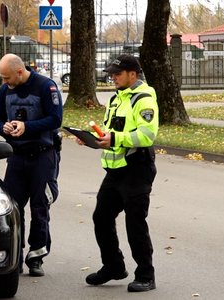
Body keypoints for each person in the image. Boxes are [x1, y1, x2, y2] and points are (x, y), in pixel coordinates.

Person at [76, 54, 159, 292]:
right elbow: (112, 132)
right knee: (101, 218)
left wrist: (115, 138)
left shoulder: (143, 99)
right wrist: (95, 139)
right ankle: (113, 267)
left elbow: (146, 135)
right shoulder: (116, 98)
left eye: (117, 74)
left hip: (137, 168)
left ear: (133, 74)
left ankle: (145, 275)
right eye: (111, 74)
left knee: (135, 223)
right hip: (115, 170)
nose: (113, 77)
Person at [0, 53, 63, 277]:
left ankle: (37, 256)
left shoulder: (45, 87)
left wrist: (27, 127)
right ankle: (16, 255)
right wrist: (3, 127)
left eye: (7, 78)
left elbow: (55, 119)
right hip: (17, 156)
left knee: (40, 205)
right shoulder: (5, 91)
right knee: (12, 207)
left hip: (43, 154)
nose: (4, 82)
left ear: (19, 72)